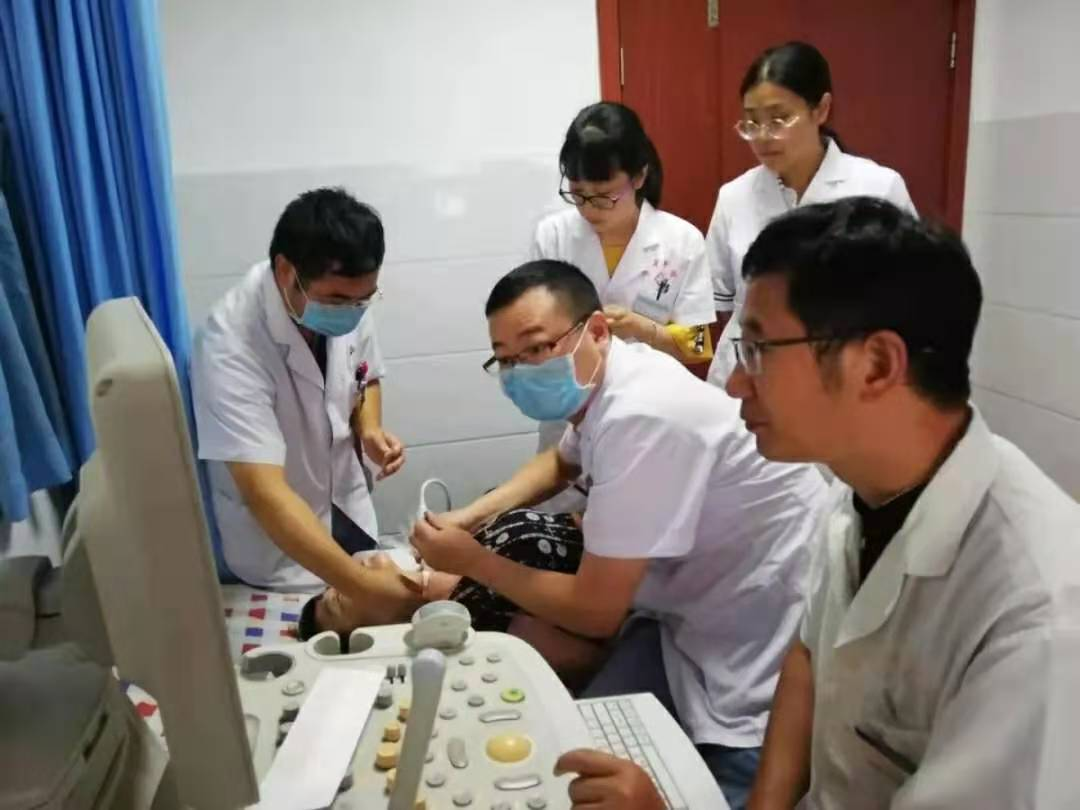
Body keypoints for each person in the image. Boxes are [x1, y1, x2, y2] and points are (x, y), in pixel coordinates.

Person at [558, 198, 1080, 809]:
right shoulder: (859, 487)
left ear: (876, 364)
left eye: (759, 351)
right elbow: (809, 654)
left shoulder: (1036, 624)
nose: (735, 383)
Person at [412, 260, 826, 809]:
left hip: (750, 648)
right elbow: (560, 463)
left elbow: (594, 612)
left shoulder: (642, 414)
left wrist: (472, 560)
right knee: (580, 740)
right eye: (505, 360)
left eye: (536, 348)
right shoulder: (611, 382)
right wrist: (473, 516)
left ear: (597, 331)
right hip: (683, 620)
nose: (519, 372)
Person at [191, 188, 406, 603]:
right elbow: (264, 491)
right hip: (280, 545)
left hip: (347, 507)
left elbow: (365, 374)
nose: (353, 311)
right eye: (338, 299)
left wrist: (370, 429)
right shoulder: (229, 343)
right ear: (286, 271)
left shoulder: (349, 300)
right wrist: (364, 589)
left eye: (364, 299)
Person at [706, 41, 915, 386]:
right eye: (752, 122)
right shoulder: (734, 197)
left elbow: (911, 298)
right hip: (749, 377)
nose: (763, 136)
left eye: (779, 119)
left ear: (821, 109)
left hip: (841, 379)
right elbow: (719, 304)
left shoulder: (878, 189)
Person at [529, 102, 717, 465]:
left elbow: (700, 345)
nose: (589, 209)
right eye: (578, 194)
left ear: (640, 176)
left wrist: (642, 329)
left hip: (652, 416)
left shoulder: (681, 241)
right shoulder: (552, 236)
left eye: (604, 196)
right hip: (570, 414)